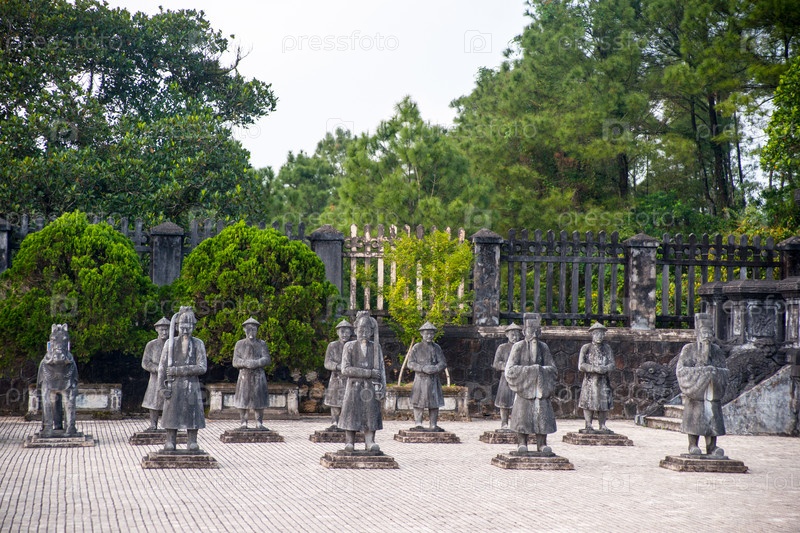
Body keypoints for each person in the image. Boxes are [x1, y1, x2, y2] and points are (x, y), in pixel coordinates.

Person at [676, 313, 728, 455]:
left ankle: (712, 446)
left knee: (712, 416)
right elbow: (681, 370)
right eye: (704, 332)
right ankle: (693, 445)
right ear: (698, 333)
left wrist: (714, 373)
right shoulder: (689, 349)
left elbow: (725, 370)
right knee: (695, 416)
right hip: (696, 391)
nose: (707, 336)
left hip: (711, 390)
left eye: (709, 333)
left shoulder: (716, 351)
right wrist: (702, 373)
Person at [505, 313, 557, 453]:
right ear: (524, 331)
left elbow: (553, 369)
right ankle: (522, 442)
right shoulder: (518, 346)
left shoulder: (543, 347)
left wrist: (540, 371)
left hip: (540, 388)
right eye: (530, 330)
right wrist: (531, 371)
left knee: (542, 416)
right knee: (523, 416)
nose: (533, 334)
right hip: (524, 388)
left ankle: (542, 443)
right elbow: (510, 370)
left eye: (536, 330)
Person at [158, 306, 207, 451]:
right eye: (182, 326)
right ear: (177, 326)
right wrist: (161, 388)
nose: (185, 330)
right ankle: (170, 440)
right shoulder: (169, 343)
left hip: (192, 385)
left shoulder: (198, 343)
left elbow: (202, 367)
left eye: (189, 326)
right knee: (171, 413)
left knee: (192, 414)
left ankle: (192, 440)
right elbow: (162, 368)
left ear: (193, 327)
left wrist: (178, 371)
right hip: (173, 385)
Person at [339, 311, 386, 452]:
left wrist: (383, 387)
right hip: (353, 387)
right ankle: (349, 442)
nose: (363, 333)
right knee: (351, 413)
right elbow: (345, 369)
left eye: (367, 330)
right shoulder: (349, 346)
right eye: (360, 329)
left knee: (371, 414)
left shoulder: (376, 347)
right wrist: (368, 373)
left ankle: (370, 441)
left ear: (371, 331)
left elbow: (381, 369)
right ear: (355, 330)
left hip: (371, 388)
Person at [406, 322, 447, 430]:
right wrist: (422, 368)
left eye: (431, 333)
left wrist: (436, 368)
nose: (429, 336)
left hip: (433, 379)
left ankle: (433, 424)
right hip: (420, 378)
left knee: (434, 402)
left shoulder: (436, 347)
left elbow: (443, 362)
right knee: (418, 401)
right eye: (427, 333)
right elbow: (410, 363)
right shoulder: (417, 347)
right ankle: (418, 423)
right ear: (422, 334)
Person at [232, 317, 271, 429]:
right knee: (243, 399)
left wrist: (256, 362)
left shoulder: (262, 344)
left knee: (259, 400)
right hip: (244, 375)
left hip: (258, 375)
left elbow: (267, 359)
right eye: (249, 329)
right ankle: (243, 422)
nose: (251, 332)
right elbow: (235, 361)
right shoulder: (239, 344)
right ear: (244, 330)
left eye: (253, 329)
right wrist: (245, 363)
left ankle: (259, 422)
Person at [577, 322, 615, 433]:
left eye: (602, 334)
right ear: (592, 334)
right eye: (597, 333)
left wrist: (605, 368)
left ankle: (602, 424)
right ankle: (588, 424)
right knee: (588, 401)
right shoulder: (586, 348)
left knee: (603, 402)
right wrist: (594, 368)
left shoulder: (607, 348)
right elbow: (581, 365)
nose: (600, 336)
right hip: (590, 380)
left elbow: (612, 364)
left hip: (603, 380)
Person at [141, 317, 171, 430]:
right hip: (155, 378)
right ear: (157, 330)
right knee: (153, 401)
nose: (164, 332)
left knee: (170, 401)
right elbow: (145, 363)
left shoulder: (173, 344)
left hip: (170, 378)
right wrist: (157, 369)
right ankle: (153, 424)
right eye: (162, 329)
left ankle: (169, 424)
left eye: (166, 329)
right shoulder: (151, 345)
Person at [323, 319, 353, 430]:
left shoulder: (354, 346)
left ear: (351, 332)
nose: (344, 334)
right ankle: (334, 422)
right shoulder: (332, 346)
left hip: (350, 378)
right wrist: (338, 366)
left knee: (349, 402)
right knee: (335, 402)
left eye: (347, 332)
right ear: (337, 332)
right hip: (336, 378)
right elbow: (327, 363)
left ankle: (348, 423)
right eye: (342, 331)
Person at [493, 323, 522, 430]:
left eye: (517, 334)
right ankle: (504, 423)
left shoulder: (523, 347)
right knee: (504, 402)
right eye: (512, 334)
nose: (515, 337)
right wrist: (508, 367)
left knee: (519, 402)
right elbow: (496, 364)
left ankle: (517, 423)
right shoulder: (502, 348)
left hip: (519, 378)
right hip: (505, 379)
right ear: (507, 335)